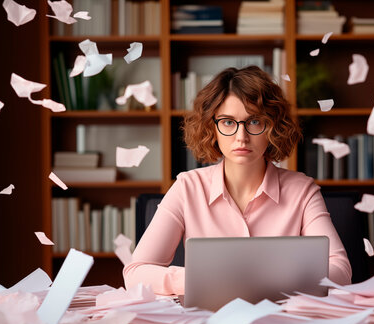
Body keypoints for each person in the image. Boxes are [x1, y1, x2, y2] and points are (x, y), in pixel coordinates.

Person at [123, 66, 352, 295]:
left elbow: (341, 270)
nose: (241, 137)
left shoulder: (302, 190)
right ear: (211, 127)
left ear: (272, 127)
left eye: (254, 122)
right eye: (228, 122)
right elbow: (135, 273)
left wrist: (275, 280)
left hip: (281, 319)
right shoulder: (187, 187)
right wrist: (199, 279)